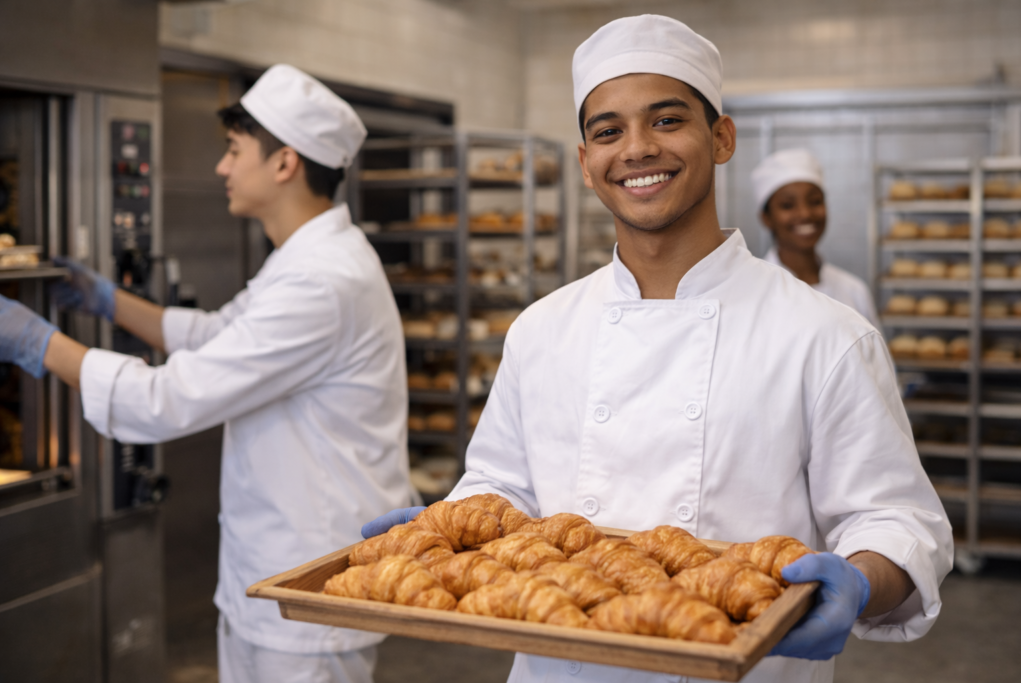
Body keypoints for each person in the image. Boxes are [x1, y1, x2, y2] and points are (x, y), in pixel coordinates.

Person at [363, 15, 952, 683]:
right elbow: (502, 484)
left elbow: (898, 519)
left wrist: (860, 580)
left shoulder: (825, 334)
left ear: (721, 137)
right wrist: (453, 522)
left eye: (667, 120)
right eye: (608, 131)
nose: (637, 148)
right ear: (586, 163)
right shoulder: (542, 328)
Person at [0, 64, 411, 683]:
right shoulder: (306, 262)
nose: (221, 168)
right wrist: (109, 301)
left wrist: (36, 342)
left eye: (232, 150)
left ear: (284, 164)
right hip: (277, 573)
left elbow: (170, 398)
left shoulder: (322, 281)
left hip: (312, 591)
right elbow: (216, 335)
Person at [753, 148, 880, 328]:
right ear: (766, 218)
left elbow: (872, 355)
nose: (805, 214)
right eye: (788, 205)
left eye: (815, 201)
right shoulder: (754, 292)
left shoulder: (854, 292)